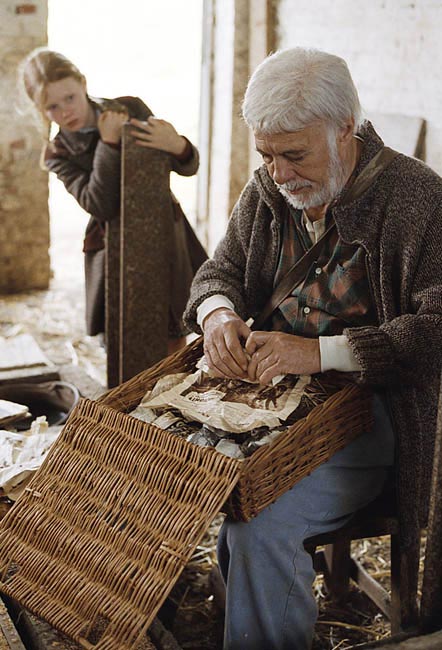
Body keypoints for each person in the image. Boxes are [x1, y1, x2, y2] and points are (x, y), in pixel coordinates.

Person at [184, 47, 442, 649]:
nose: (277, 173)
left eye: (293, 154)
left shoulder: (420, 200)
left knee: (257, 523)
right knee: (194, 478)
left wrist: (320, 354)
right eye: (266, 155)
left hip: (379, 416)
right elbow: (217, 272)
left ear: (345, 127)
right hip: (282, 405)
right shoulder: (270, 188)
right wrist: (217, 314)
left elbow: (437, 331)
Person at [21, 48, 207, 353]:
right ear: (39, 109)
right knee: (123, 333)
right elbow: (99, 203)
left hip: (165, 230)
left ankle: (169, 392)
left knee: (173, 322)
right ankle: (128, 394)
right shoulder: (58, 153)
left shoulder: (130, 108)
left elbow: (188, 166)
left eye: (69, 97)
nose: (65, 111)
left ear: (82, 83)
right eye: (52, 107)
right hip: (113, 244)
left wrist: (176, 145)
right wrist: (108, 144)